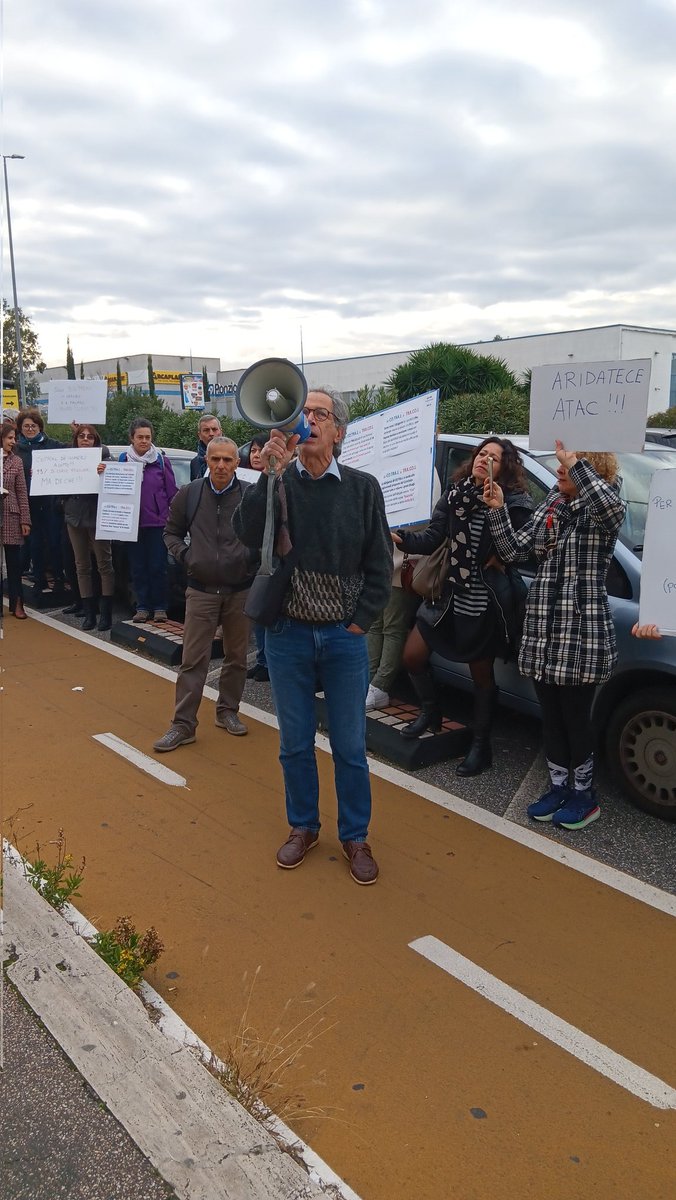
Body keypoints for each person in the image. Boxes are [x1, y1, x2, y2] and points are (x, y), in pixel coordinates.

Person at [233, 388, 392, 885]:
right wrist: (268, 473)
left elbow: (380, 565)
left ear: (338, 431)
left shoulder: (363, 488)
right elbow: (244, 531)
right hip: (288, 634)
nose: (309, 421)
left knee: (349, 745)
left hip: (343, 638)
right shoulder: (280, 481)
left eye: (319, 413)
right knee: (295, 743)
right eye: (304, 413)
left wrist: (359, 621)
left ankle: (355, 835)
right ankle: (303, 826)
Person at [485, 440, 626, 831]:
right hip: (543, 628)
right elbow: (515, 551)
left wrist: (575, 463)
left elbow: (611, 510)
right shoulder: (552, 503)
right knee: (550, 715)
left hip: (581, 632)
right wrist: (498, 510)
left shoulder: (604, 507)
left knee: (576, 718)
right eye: (562, 464)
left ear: (591, 469)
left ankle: (584, 796)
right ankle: (558, 788)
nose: (560, 469)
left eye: (570, 464)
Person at [392, 438, 533, 776]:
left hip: (482, 596)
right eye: (482, 454)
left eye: (494, 458)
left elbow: (519, 550)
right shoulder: (456, 493)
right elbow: (434, 537)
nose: (485, 459)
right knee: (412, 656)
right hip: (448, 591)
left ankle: (481, 746)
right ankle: (431, 712)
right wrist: (403, 538)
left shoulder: (514, 502)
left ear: (505, 467)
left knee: (481, 675)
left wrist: (498, 527)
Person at [153, 438, 257, 751]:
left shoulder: (250, 494)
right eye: (215, 459)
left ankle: (228, 712)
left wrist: (249, 559)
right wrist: (187, 557)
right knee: (192, 660)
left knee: (236, 657)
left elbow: (266, 534)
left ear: (237, 463)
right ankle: (183, 725)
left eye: (227, 460)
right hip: (200, 590)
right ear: (206, 461)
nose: (221, 466)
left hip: (240, 590)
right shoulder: (190, 493)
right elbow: (170, 532)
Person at [366, 470, 441, 710]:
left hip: (403, 559)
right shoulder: (382, 464)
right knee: (374, 623)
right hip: (377, 557)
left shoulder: (424, 466)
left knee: (392, 625)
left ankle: (381, 686)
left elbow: (427, 517)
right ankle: (367, 681)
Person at [119, 419, 178, 623]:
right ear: (132, 438)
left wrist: (171, 519)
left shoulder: (161, 460)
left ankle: (160, 607)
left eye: (147, 437)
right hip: (132, 525)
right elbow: (113, 489)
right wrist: (102, 471)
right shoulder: (123, 460)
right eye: (140, 437)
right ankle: (142, 606)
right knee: (138, 568)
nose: (144, 441)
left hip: (157, 524)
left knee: (157, 567)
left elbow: (172, 493)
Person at [64, 424, 115, 632]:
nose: (85, 439)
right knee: (81, 565)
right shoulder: (67, 458)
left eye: (90, 437)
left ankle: (106, 614)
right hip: (74, 517)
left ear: (96, 440)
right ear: (76, 439)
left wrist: (106, 472)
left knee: (104, 564)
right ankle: (89, 613)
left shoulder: (106, 458)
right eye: (81, 436)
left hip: (98, 516)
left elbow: (118, 481)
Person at [14, 408, 65, 592]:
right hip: (29, 504)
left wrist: (77, 431)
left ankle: (59, 579)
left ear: (40, 427)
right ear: (20, 428)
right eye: (26, 426)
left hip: (50, 503)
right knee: (34, 544)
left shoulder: (52, 445)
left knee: (54, 542)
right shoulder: (16, 449)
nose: (30, 429)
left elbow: (74, 453)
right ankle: (39, 579)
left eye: (33, 426)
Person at [245, 433, 270, 682]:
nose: (256, 454)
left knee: (266, 612)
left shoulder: (278, 481)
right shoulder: (243, 479)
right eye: (253, 450)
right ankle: (262, 659)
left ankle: (269, 662)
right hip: (248, 558)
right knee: (256, 614)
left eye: (261, 449)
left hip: (268, 559)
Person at [1, 421, 31, 618]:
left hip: (11, 516)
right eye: (10, 438)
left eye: (14, 438)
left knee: (14, 563)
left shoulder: (17, 461)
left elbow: (21, 492)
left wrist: (25, 520)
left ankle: (18, 603)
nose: (13, 441)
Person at [190, 414, 222, 480]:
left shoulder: (234, 457)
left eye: (214, 429)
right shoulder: (195, 463)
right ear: (199, 435)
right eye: (206, 430)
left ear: (221, 432)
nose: (211, 434)